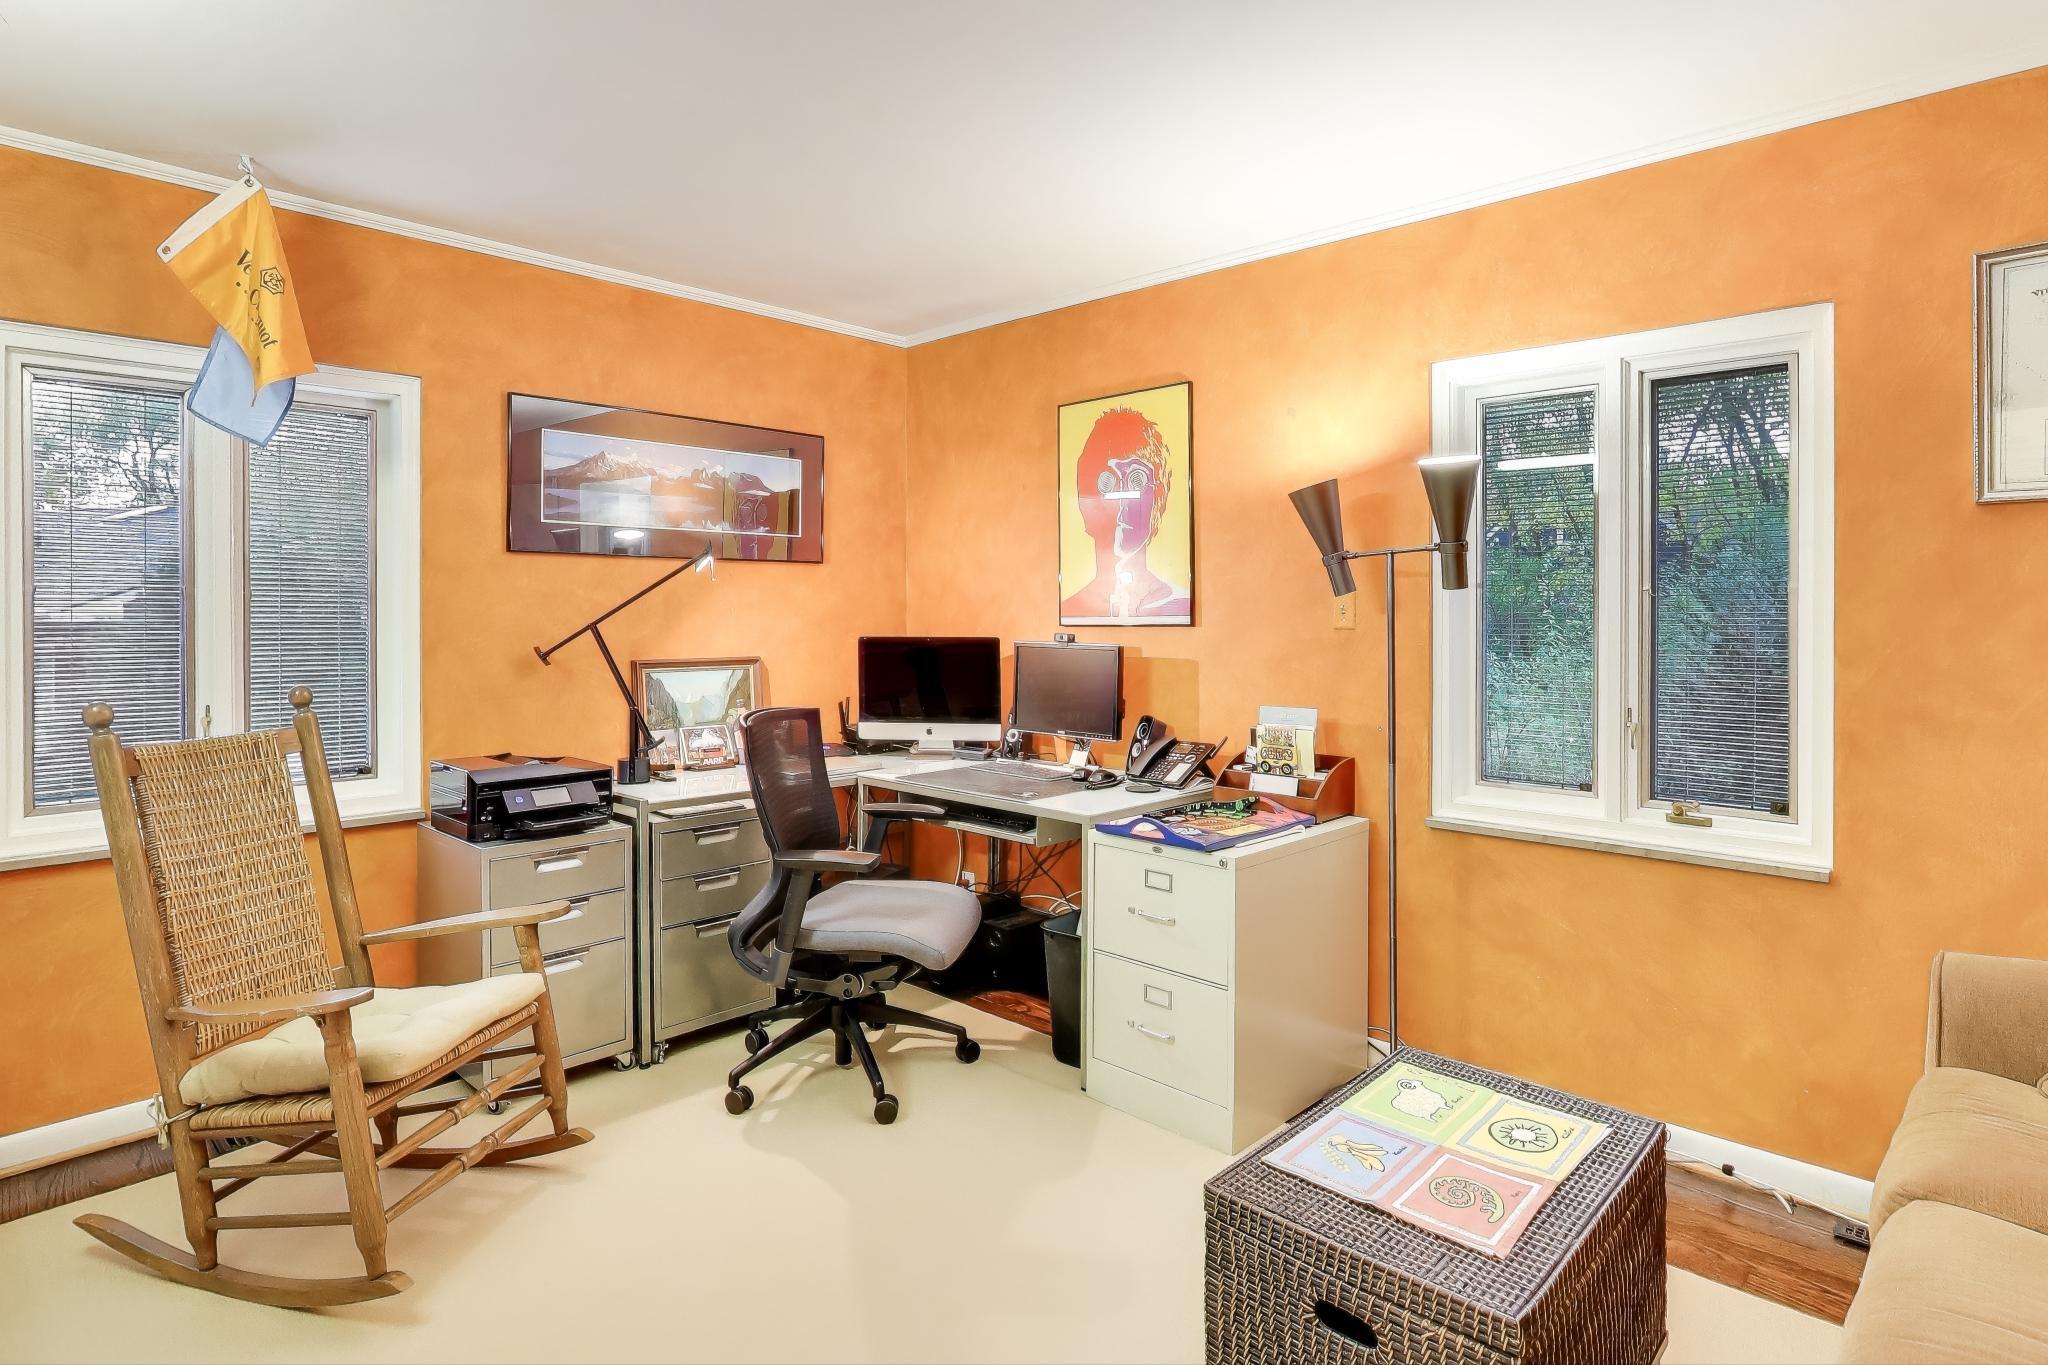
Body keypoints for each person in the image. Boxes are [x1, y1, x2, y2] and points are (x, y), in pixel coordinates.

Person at [1061, 406, 1189, 621]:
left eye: (1136, 481)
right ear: (1083, 499)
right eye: (1106, 482)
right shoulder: (1070, 610)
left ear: (1158, 497)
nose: (1121, 501)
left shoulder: (1180, 605)